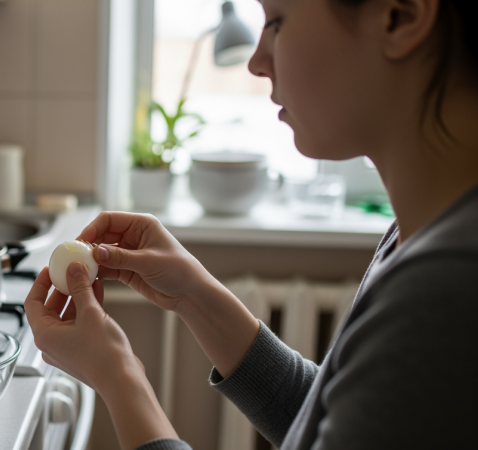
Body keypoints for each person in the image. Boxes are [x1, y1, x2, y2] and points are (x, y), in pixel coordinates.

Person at [24, 0, 478, 448]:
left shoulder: (446, 290)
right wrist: (195, 295)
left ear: (401, 16)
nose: (257, 62)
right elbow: (330, 422)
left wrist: (120, 375)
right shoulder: (418, 235)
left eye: (277, 22)